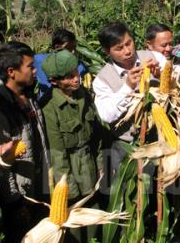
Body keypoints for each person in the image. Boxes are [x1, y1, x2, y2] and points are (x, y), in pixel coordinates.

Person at [0, 41, 50, 243]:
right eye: (30, 66)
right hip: (21, 198)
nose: (35, 71)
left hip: (40, 187)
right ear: (11, 71)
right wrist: (15, 202)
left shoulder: (29, 96)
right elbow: (0, 165)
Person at [41, 50, 103, 242]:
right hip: (70, 174)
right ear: (54, 81)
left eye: (76, 73)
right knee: (74, 224)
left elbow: (97, 136)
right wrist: (68, 188)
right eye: (69, 77)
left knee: (94, 218)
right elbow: (58, 153)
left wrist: (101, 164)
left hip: (91, 168)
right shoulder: (49, 108)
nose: (77, 79)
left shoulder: (83, 95)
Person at [93, 21, 163, 176]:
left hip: (159, 140)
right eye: (119, 48)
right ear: (107, 51)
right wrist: (128, 86)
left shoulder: (154, 57)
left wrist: (162, 76)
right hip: (127, 146)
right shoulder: (102, 80)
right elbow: (106, 115)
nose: (127, 51)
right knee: (127, 194)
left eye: (128, 43)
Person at [34, 28, 87, 97]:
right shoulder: (38, 60)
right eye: (69, 48)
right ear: (57, 47)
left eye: (74, 47)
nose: (73, 51)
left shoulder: (79, 65)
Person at [145, 23, 180, 87]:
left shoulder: (177, 61)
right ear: (149, 45)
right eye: (163, 45)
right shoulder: (140, 62)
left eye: (170, 44)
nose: (168, 49)